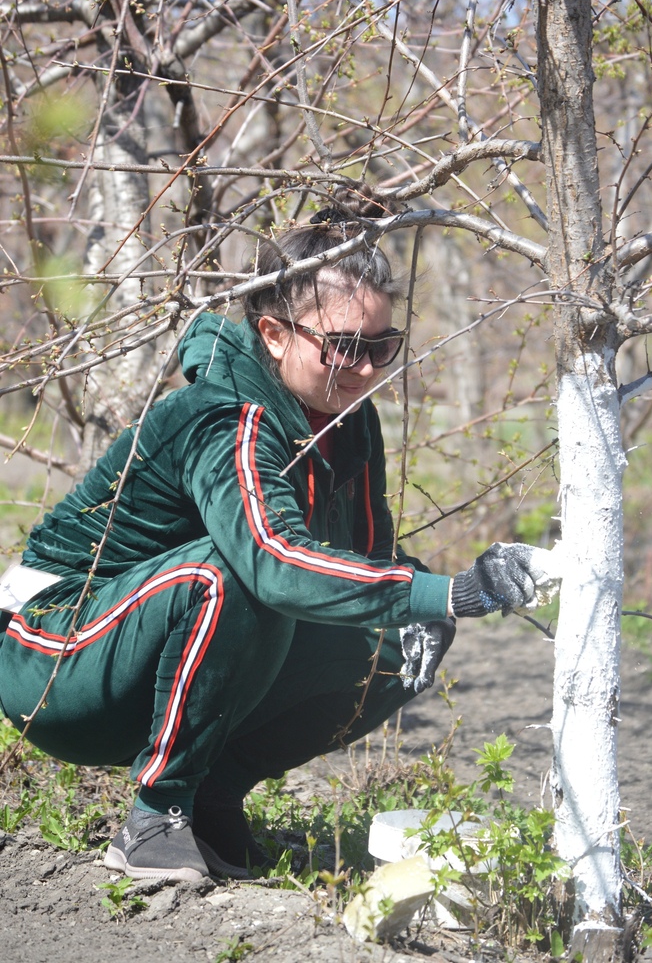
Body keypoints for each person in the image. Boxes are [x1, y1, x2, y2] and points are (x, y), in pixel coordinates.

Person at [0, 203, 555, 884]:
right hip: (50, 656)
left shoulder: (347, 418)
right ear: (272, 332)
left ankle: (211, 796)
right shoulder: (222, 415)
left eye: (384, 346)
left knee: (400, 632)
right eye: (347, 345)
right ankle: (155, 816)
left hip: (149, 647)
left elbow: (372, 563)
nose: (367, 368)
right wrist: (460, 590)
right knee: (230, 575)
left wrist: (433, 599)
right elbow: (269, 559)